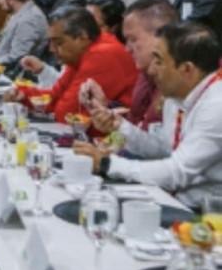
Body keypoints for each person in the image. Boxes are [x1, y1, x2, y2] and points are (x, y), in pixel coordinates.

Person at [75, 22, 222, 208]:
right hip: (172, 199)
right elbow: (164, 152)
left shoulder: (217, 104)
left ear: (187, 70)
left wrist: (107, 164)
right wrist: (120, 126)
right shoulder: (176, 96)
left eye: (159, 61)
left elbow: (177, 172)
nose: (151, 70)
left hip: (204, 215)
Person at [73, 0, 179, 162]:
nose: (127, 48)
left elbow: (169, 155)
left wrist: (108, 163)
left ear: (162, 37)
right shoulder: (146, 76)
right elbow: (138, 131)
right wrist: (105, 109)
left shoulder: (183, 82)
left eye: (133, 39)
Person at [11, 5, 137, 123]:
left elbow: (67, 114)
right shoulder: (82, 52)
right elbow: (54, 97)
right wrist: (22, 94)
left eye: (58, 43)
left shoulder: (103, 53)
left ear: (82, 37)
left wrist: (52, 105)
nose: (51, 49)